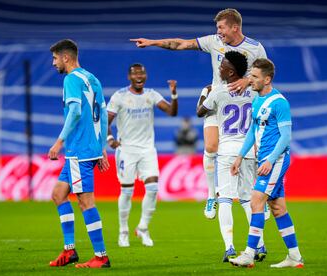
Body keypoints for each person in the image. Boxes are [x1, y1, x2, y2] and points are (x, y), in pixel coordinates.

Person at [130, 8, 267, 220]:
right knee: (211, 146)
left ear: (235, 27)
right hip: (218, 100)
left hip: (246, 105)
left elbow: (266, 75)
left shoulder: (255, 48)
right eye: (217, 28)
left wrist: (248, 80)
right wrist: (153, 42)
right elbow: (181, 43)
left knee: (254, 149)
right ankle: (212, 195)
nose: (218, 32)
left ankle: (258, 197)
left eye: (221, 27)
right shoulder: (213, 41)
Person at [229, 58, 304, 268]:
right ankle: (295, 256)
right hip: (263, 159)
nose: (249, 79)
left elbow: (286, 136)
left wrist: (270, 160)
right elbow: (253, 131)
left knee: (255, 201)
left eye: (254, 76)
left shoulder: (279, 102)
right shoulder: (257, 100)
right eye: (250, 75)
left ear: (267, 79)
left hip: (275, 159)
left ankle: (249, 254)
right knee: (278, 208)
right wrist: (239, 156)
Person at [48, 39, 111, 268]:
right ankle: (69, 250)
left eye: (55, 58)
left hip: (79, 150)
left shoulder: (71, 79)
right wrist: (102, 147)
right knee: (58, 194)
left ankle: (101, 256)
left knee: (86, 203)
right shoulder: (92, 79)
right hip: (88, 148)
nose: (53, 63)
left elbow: (74, 112)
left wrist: (58, 142)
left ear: (66, 57)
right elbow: (102, 115)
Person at [197, 51, 263, 262]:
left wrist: (206, 93)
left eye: (223, 66)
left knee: (225, 199)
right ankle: (259, 245)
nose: (220, 69)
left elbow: (200, 111)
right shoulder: (254, 93)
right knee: (247, 200)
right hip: (248, 152)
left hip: (227, 153)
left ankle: (229, 248)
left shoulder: (219, 92)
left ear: (231, 71)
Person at [107, 63, 178, 247]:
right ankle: (123, 231)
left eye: (142, 73)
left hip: (147, 149)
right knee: (127, 191)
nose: (139, 76)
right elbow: (105, 120)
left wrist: (174, 94)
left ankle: (143, 228)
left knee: (153, 189)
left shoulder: (151, 95)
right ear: (129, 77)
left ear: (146, 76)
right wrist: (110, 139)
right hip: (127, 150)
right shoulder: (120, 96)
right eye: (135, 74)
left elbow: (171, 112)